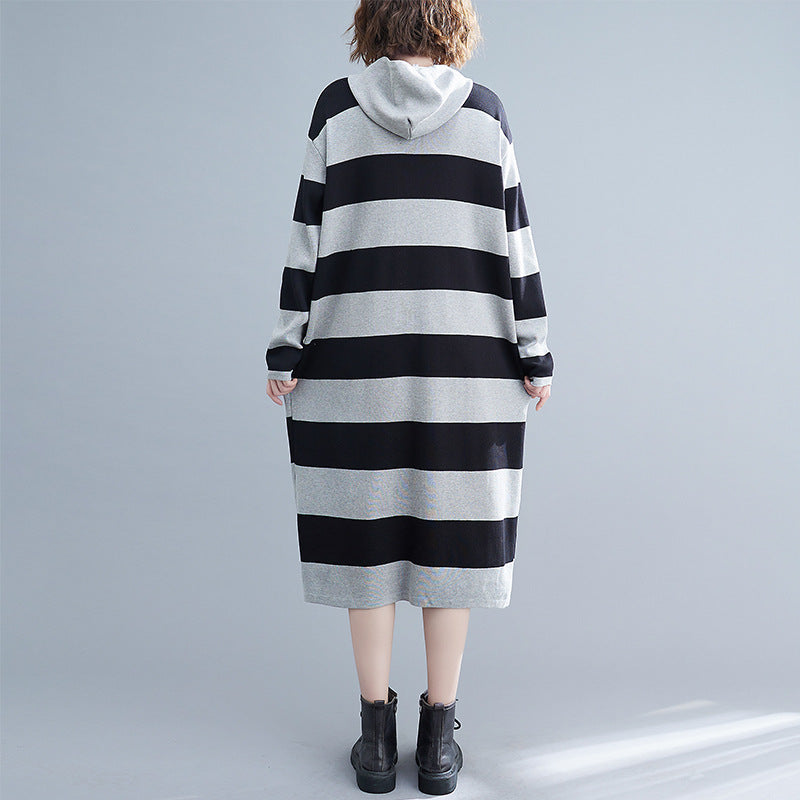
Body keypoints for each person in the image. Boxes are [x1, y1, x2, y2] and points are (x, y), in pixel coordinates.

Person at [264, 0, 554, 793]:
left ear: (374, 22)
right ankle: (437, 740)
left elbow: (307, 237)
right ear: (450, 22)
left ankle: (375, 740)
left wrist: (287, 346)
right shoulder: (486, 115)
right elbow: (515, 242)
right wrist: (536, 354)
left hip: (354, 362)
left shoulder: (336, 111)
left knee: (364, 543)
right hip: (467, 368)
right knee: (450, 546)